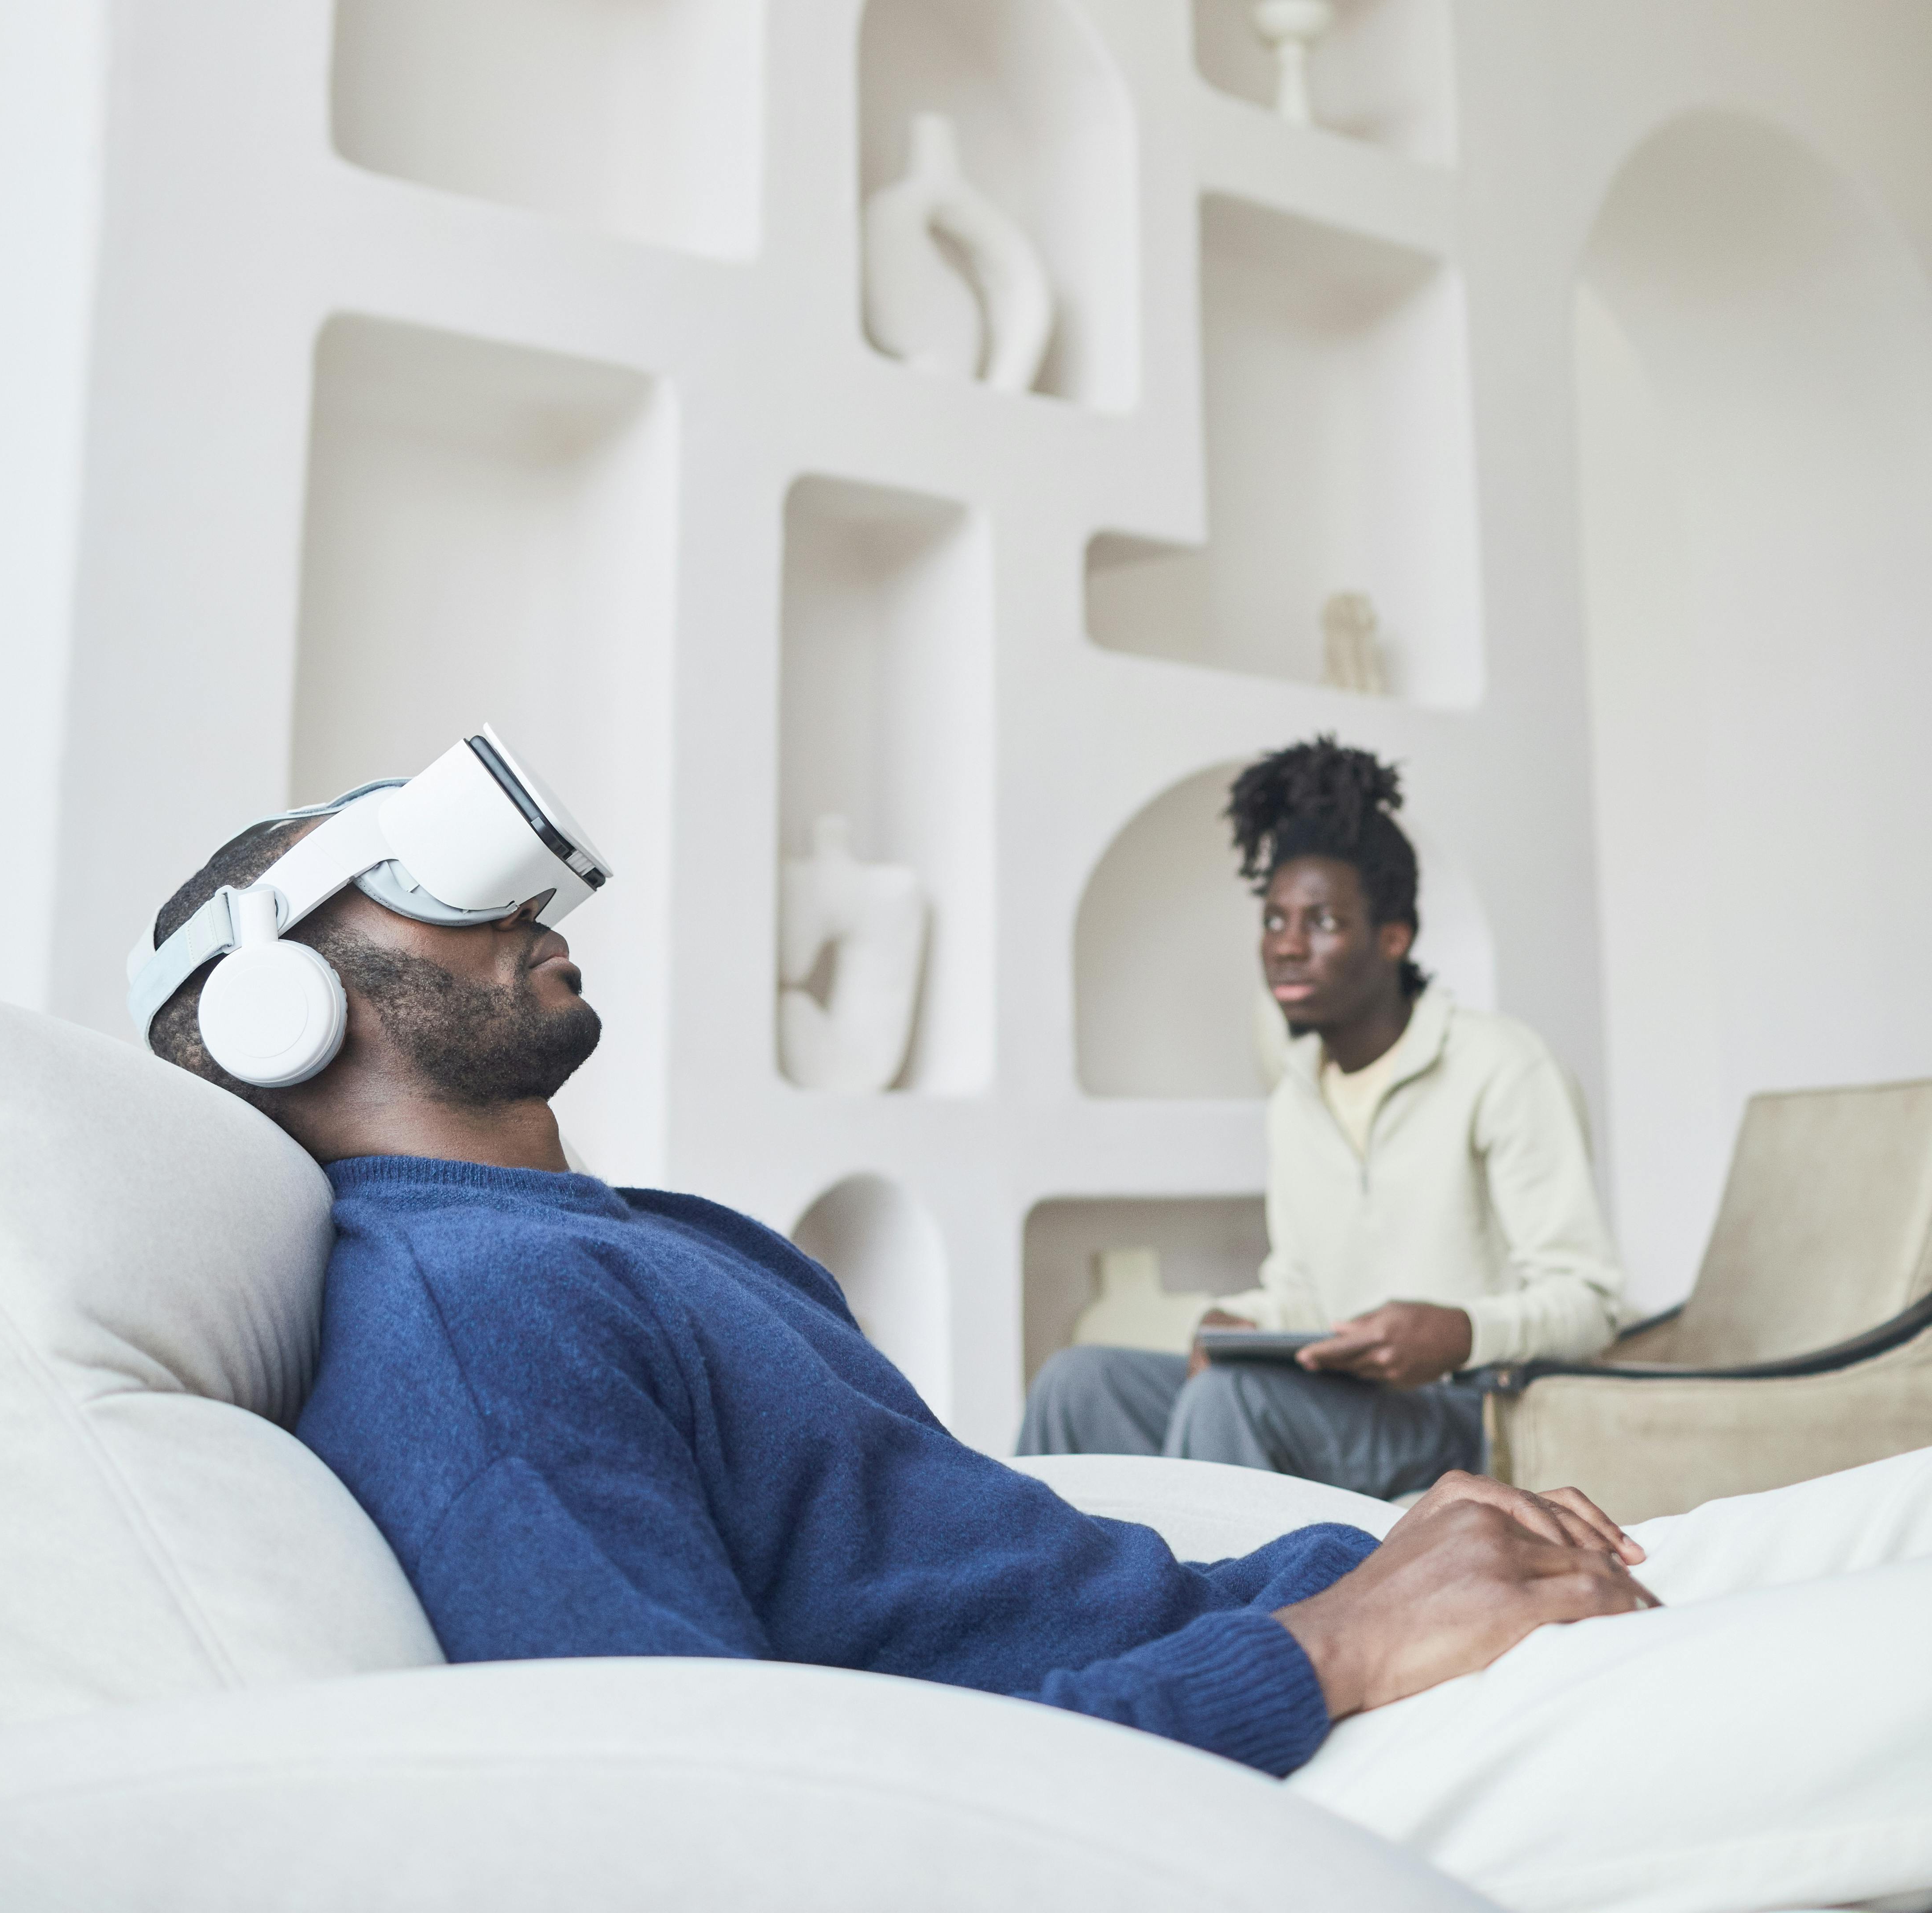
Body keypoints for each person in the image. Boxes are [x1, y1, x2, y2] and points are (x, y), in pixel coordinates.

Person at [136, 756, 1932, 1913]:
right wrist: (1329, 1649)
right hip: (1269, 1775)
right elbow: (716, 1829)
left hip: (1305, 1640)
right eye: (422, 884)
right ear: (279, 998)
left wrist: (1371, 1568)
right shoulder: (462, 1323)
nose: (516, 903)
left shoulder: (615, 1242)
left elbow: (976, 1586)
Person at [1020, 740, 1627, 1495]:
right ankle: (1060, 1609)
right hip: (1341, 1400)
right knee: (1078, 1382)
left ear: (1393, 938)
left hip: (1475, 1410)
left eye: (1323, 923)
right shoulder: (1297, 1096)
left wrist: (1459, 1332)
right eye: (1275, 921)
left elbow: (1591, 1302)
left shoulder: (1502, 1066)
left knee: (1230, 1399)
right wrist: (1238, 1319)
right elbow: (1304, 1289)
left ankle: (1227, 1614)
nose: (1288, 948)